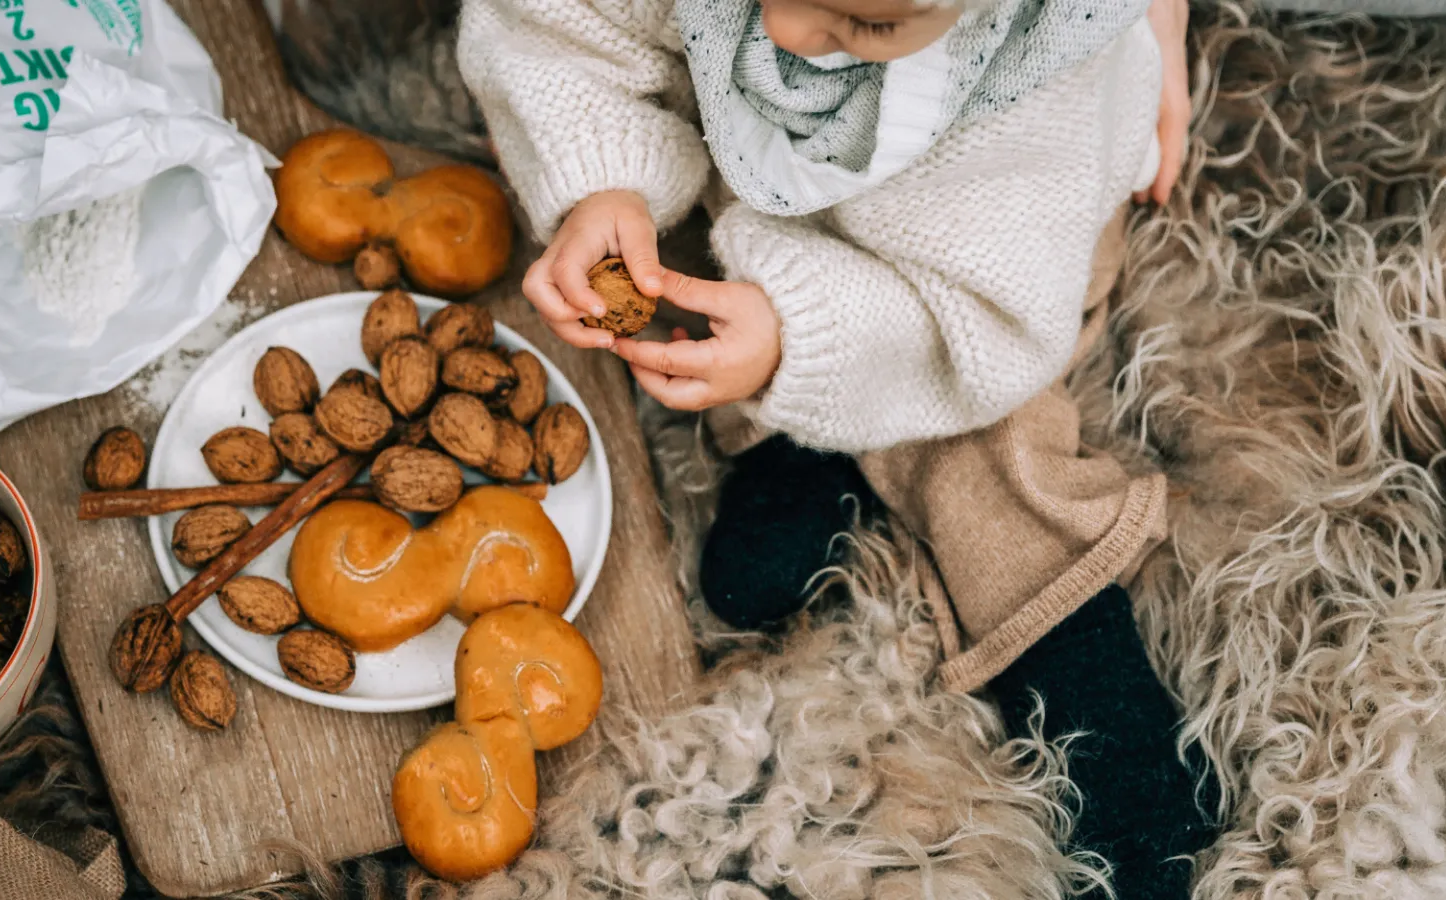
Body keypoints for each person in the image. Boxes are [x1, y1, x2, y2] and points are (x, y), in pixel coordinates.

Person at [459, 0, 1210, 894]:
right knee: (688, 289)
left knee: (986, 435)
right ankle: (799, 429)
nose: (780, 31)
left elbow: (991, 320)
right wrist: (604, 182)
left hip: (970, 271)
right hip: (755, 188)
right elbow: (563, 27)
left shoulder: (1038, 81)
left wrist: (795, 335)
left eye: (861, 21)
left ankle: (1075, 643)